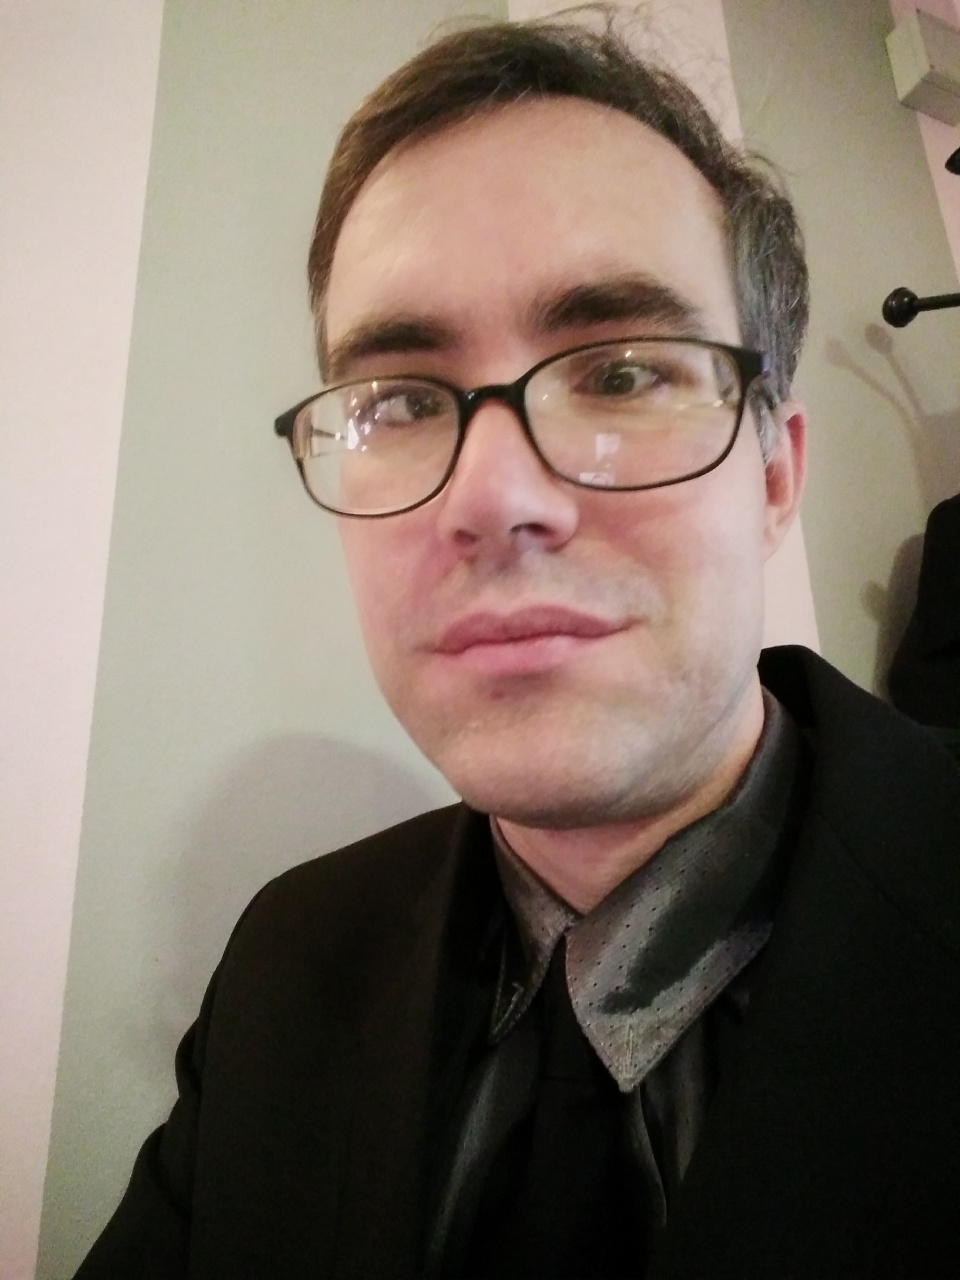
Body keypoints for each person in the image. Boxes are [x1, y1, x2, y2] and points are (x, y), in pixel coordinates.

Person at [76, 13, 960, 1279]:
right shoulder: (284, 962)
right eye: (399, 400)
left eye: (621, 373)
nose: (490, 497)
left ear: (775, 475)